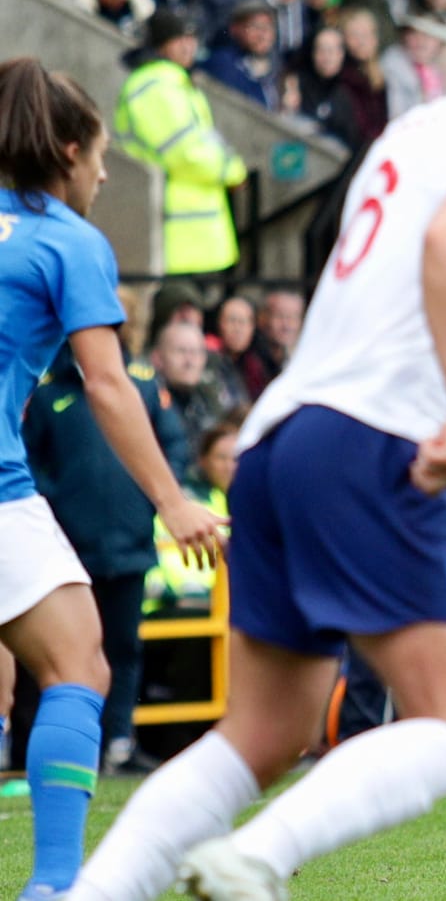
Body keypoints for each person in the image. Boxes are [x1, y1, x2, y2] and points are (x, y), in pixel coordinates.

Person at [67, 0, 446, 901]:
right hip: (369, 442)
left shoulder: (418, 123)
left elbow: (390, 290)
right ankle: (258, 859)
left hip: (283, 439)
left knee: (264, 732)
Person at [0, 58, 222, 900]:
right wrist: (173, 499)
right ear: (65, 150)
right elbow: (107, 383)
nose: (102, 173)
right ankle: (56, 883)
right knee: (79, 665)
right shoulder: (66, 239)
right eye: (99, 156)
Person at [21, 343, 189, 778]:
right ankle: (70, 746)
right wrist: (57, 503)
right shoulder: (47, 390)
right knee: (67, 652)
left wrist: (152, 500)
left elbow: (172, 443)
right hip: (68, 547)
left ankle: (118, 741)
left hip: (129, 543)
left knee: (124, 647)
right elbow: (28, 460)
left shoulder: (144, 385)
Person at [112, 10, 250, 277]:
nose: (189, 45)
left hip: (195, 237)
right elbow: (186, 154)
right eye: (179, 39)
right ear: (161, 44)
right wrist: (232, 171)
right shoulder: (155, 84)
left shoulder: (173, 81)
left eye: (192, 38)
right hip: (182, 242)